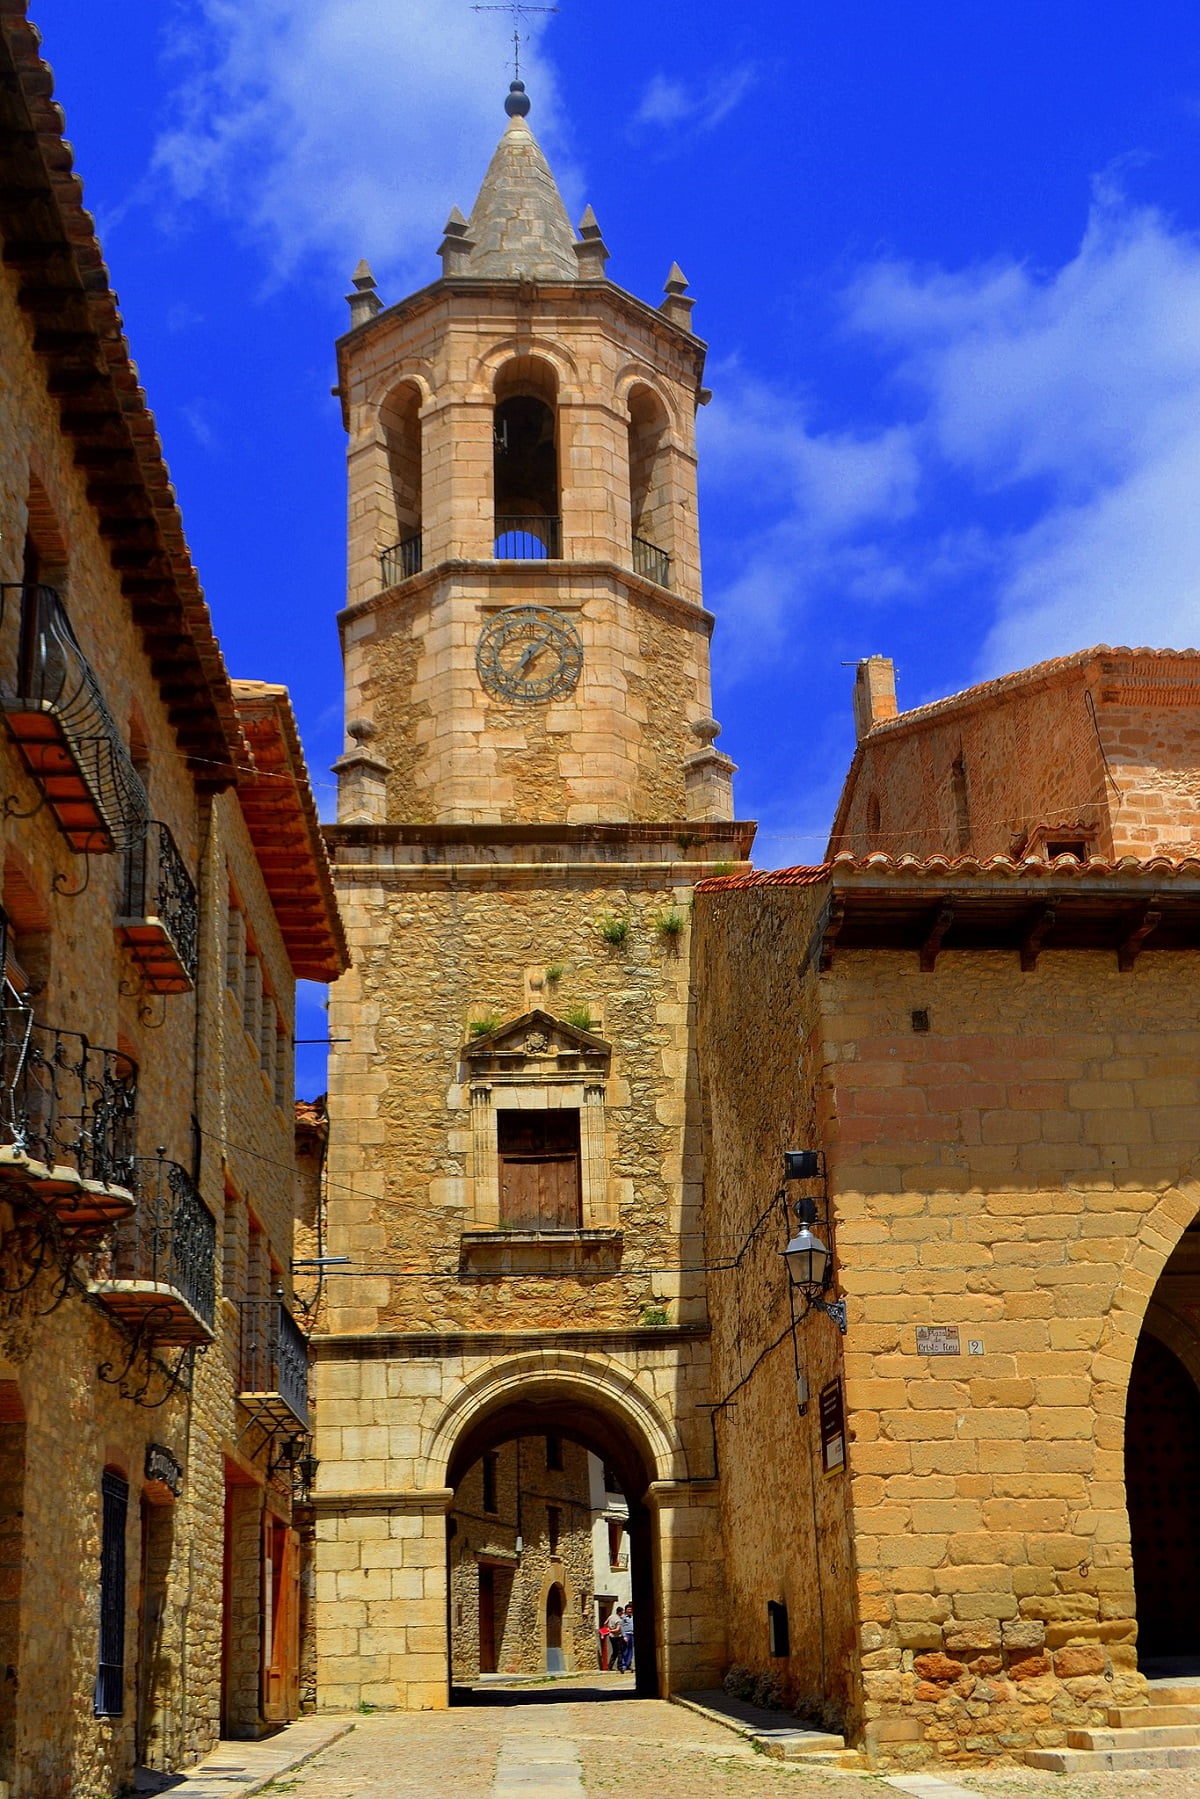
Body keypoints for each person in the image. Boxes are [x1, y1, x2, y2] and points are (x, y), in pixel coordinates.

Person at [618, 1601, 634, 1673]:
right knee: (625, 1650)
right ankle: (624, 1665)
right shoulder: (623, 1618)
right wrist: (624, 1636)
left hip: (632, 1634)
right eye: (628, 1609)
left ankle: (628, 1664)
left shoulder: (632, 1617)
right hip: (627, 1635)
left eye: (631, 1609)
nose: (630, 1610)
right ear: (626, 1610)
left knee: (631, 1650)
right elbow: (621, 1627)